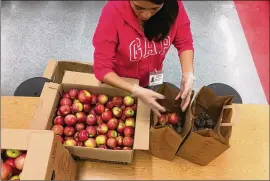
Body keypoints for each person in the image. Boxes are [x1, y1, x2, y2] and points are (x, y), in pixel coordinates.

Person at [93, 0, 195, 116]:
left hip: (153, 76)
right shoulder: (112, 11)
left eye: (154, 9)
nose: (146, 15)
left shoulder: (174, 5)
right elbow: (102, 68)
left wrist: (188, 74)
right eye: (138, 8)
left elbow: (184, 42)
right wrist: (135, 89)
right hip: (122, 81)